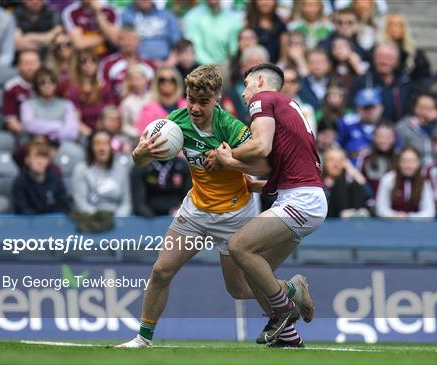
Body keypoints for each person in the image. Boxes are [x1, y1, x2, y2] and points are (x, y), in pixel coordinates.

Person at [119, 65, 314, 348]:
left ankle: (295, 288)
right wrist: (140, 154)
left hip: (235, 214)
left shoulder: (231, 127)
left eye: (202, 102)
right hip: (196, 211)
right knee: (161, 271)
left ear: (217, 100)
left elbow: (264, 165)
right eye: (190, 100)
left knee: (239, 289)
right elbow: (140, 162)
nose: (195, 108)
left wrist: (227, 160)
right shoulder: (175, 122)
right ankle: (142, 339)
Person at [214, 63, 328, 347]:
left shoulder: (263, 99)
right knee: (244, 282)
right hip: (303, 198)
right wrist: (258, 182)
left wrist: (227, 157)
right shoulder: (289, 106)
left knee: (239, 246)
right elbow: (282, 164)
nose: (243, 94)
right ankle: (289, 318)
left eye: (246, 85)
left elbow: (261, 146)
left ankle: (284, 309)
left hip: (300, 202)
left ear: (260, 81)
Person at [348, 42, 414, 122]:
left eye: (389, 57)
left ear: (397, 61)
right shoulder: (361, 81)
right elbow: (352, 109)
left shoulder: (405, 83)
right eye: (380, 56)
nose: (384, 61)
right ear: (374, 58)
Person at [72, 129, 131, 216]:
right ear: (91, 147)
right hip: (90, 220)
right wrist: (101, 218)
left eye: (106, 144)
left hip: (117, 219)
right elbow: (80, 203)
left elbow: (126, 203)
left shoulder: (121, 169)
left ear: (111, 147)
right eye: (97, 144)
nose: (102, 148)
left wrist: (118, 218)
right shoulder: (81, 169)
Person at [12, 138, 70, 214]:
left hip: (52, 223)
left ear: (48, 161)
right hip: (29, 224)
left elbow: (64, 208)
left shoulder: (56, 180)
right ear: (27, 160)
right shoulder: (20, 183)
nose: (40, 161)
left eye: (44, 157)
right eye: (36, 157)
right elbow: (22, 210)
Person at [98, 25, 155, 103]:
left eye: (132, 39)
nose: (128, 43)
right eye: (125, 40)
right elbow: (105, 91)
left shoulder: (149, 64)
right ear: (119, 41)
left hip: (146, 108)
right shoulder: (108, 64)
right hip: (117, 108)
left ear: (139, 41)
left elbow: (155, 90)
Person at [62, 49, 114, 134]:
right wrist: (91, 136)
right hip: (83, 133)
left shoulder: (104, 87)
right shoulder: (73, 90)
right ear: (78, 66)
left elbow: (110, 113)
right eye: (84, 62)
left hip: (105, 131)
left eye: (93, 61)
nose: (88, 65)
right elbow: (75, 120)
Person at [20, 67, 78, 142]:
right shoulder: (27, 104)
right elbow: (29, 126)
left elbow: (72, 132)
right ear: (36, 85)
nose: (47, 85)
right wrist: (59, 125)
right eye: (42, 82)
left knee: (76, 153)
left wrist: (49, 137)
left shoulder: (67, 104)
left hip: (60, 143)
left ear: (56, 84)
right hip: (35, 143)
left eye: (52, 81)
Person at [376, 147, 435, 218]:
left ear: (418, 163)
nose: (408, 165)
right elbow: (381, 209)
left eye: (412, 161)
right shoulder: (388, 179)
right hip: (392, 222)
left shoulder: (424, 182)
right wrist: (394, 215)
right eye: (404, 161)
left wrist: (409, 217)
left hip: (416, 224)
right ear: (399, 163)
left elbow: (430, 211)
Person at [395, 92, 437, 164]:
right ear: (414, 108)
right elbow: (398, 151)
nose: (424, 112)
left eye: (429, 108)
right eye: (421, 107)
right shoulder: (403, 126)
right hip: (413, 169)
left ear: (436, 110)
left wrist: (434, 124)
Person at [378, 13, 430, 84]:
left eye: (399, 25)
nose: (395, 28)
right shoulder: (378, 51)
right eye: (391, 25)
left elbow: (424, 75)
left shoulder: (415, 53)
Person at [322, 146, 371, 218]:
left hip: (353, 218)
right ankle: (344, 211)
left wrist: (351, 170)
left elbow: (369, 194)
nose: (336, 164)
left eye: (340, 160)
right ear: (325, 163)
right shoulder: (319, 183)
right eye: (331, 160)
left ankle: (359, 212)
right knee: (339, 182)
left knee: (355, 184)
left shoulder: (350, 185)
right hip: (330, 216)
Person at [337, 88, 384, 163]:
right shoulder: (347, 124)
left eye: (372, 107)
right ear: (358, 108)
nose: (369, 111)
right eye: (366, 108)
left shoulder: (387, 129)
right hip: (350, 170)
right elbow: (337, 148)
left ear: (380, 108)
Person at [136, 66, 187, 133]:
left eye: (172, 80)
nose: (167, 83)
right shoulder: (148, 109)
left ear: (177, 82)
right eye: (162, 80)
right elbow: (143, 134)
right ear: (157, 83)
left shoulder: (187, 106)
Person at [2, 49, 41, 136]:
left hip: (47, 131)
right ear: (18, 66)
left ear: (40, 65)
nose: (31, 67)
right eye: (26, 63)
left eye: (34, 63)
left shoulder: (47, 84)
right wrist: (29, 134)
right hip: (23, 133)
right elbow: (10, 120)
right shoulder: (11, 87)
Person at [356, 123, 397, 195]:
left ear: (394, 138)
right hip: (370, 201)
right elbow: (359, 180)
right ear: (374, 137)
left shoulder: (400, 157)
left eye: (388, 137)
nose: (384, 140)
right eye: (380, 136)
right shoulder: (365, 156)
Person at [119, 63, 151, 140]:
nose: (135, 83)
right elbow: (124, 125)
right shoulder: (126, 102)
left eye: (138, 79)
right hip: (136, 138)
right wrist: (139, 133)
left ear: (145, 80)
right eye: (132, 80)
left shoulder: (153, 97)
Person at [281, 66, 316, 133]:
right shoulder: (269, 107)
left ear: (299, 85)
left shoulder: (306, 109)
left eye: (292, 81)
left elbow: (309, 137)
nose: (287, 85)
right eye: (283, 81)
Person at [297, 48, 332, 113]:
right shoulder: (300, 84)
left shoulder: (336, 83)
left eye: (321, 62)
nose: (317, 66)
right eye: (312, 62)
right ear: (307, 65)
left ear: (329, 65)